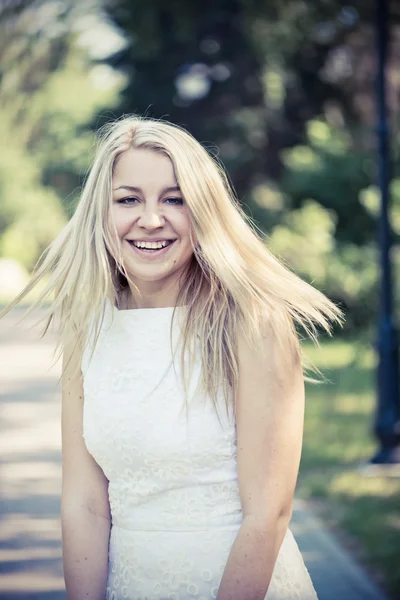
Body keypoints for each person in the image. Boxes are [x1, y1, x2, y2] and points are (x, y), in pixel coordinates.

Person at [2, 115, 344, 599]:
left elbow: (267, 513)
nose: (150, 219)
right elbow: (84, 503)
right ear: (102, 211)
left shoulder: (255, 323)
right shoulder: (88, 327)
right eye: (128, 200)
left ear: (203, 210)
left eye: (174, 199)